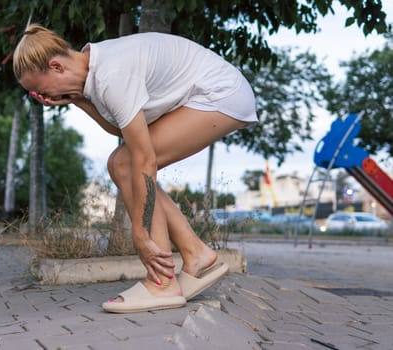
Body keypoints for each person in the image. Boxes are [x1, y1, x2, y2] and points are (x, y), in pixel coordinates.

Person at [13, 24, 258, 313]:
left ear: (55, 66)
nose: (43, 97)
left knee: (129, 163)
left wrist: (140, 235)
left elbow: (145, 160)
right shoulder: (97, 67)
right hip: (210, 93)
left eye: (39, 90)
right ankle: (197, 254)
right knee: (119, 163)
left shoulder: (111, 74)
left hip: (221, 94)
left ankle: (162, 282)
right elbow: (119, 127)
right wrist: (77, 101)